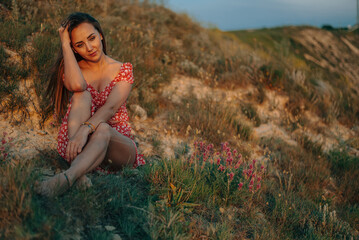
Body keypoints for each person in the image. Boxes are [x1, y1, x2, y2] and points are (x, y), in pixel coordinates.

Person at [35, 12, 145, 197]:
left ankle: (67, 178)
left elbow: (110, 108)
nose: (89, 47)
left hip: (117, 146)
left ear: (100, 34)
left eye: (91, 38)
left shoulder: (123, 69)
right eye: (79, 44)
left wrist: (86, 129)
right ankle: (79, 172)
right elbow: (77, 85)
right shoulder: (73, 70)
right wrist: (64, 44)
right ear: (74, 49)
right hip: (80, 143)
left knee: (102, 128)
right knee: (81, 95)